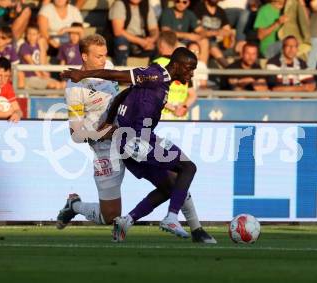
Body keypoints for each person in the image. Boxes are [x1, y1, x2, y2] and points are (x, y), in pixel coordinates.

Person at [57, 35, 216, 244]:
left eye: (105, 55)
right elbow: (76, 134)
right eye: (98, 57)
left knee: (174, 180)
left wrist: (114, 118)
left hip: (128, 137)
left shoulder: (110, 68)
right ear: (84, 56)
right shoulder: (74, 89)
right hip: (106, 148)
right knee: (109, 216)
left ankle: (195, 229)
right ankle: (74, 206)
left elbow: (127, 94)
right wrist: (104, 132)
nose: (103, 61)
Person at [153, 30, 197, 120]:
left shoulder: (156, 64)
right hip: (181, 118)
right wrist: (183, 107)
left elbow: (154, 94)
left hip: (162, 117)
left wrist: (173, 108)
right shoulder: (184, 64)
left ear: (161, 44)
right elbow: (192, 94)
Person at [109, 0, 159, 66]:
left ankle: (154, 73)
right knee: (121, 41)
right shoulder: (119, 4)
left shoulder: (146, 5)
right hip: (124, 42)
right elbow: (118, 31)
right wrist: (141, 41)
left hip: (142, 42)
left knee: (162, 44)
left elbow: (154, 29)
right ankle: (121, 70)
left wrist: (152, 39)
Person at [18, 24, 64, 89]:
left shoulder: (38, 46)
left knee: (62, 85)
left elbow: (43, 62)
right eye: (29, 34)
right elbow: (32, 64)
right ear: (26, 34)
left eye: (34, 34)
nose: (31, 36)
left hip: (39, 75)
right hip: (30, 77)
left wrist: (42, 46)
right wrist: (40, 75)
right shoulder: (24, 46)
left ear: (38, 35)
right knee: (54, 85)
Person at [193, 0, 232, 67]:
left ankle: (230, 69)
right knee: (210, 45)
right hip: (201, 40)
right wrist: (216, 32)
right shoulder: (199, 8)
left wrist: (222, 33)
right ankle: (229, 69)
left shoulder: (221, 11)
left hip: (217, 41)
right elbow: (198, 30)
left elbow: (227, 30)